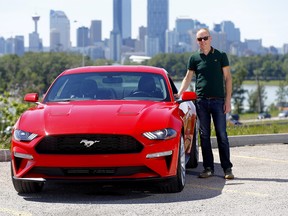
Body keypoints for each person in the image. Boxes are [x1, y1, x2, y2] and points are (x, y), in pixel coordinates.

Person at [176, 28, 234, 179]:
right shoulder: (194, 58)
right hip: (201, 102)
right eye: (199, 39)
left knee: (222, 135)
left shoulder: (221, 56)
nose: (203, 41)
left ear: (210, 38)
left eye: (205, 38)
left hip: (219, 102)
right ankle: (208, 168)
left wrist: (228, 100)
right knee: (204, 135)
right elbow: (188, 78)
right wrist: (179, 93)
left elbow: (228, 78)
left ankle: (227, 168)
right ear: (197, 41)